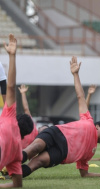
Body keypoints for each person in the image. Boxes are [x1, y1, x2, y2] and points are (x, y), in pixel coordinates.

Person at [20, 56, 100, 178]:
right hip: (57, 133)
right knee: (35, 147)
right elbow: (80, 96)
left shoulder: (91, 152)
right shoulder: (88, 119)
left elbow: (84, 174)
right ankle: (6, 163)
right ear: (97, 126)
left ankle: (11, 174)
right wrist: (76, 74)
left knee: (38, 162)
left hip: (62, 152)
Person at [0, 34, 34, 188]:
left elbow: (11, 85)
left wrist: (12, 56)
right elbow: (17, 184)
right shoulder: (18, 152)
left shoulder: (9, 117)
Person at [18, 84, 39, 149]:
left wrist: (23, 93)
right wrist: (23, 93)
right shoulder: (33, 131)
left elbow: (26, 109)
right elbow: (26, 109)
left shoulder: (15, 136)